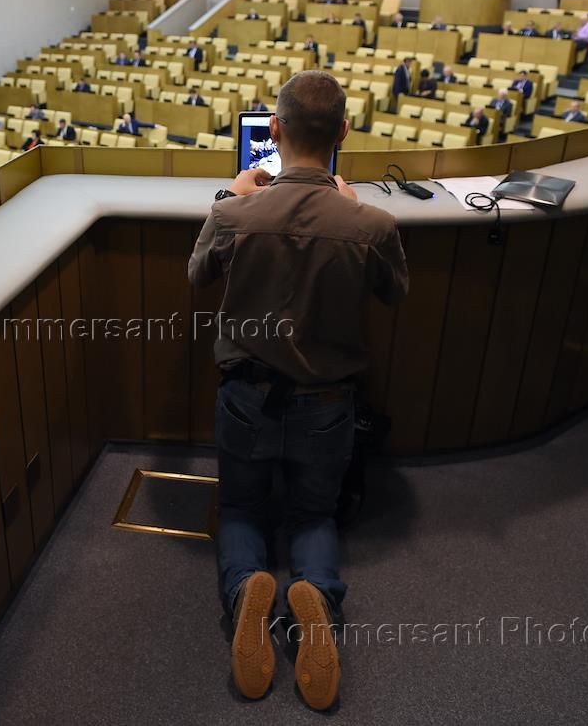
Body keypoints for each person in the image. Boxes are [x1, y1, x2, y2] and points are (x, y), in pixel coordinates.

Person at [187, 69, 407, 712]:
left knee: (241, 508)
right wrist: (354, 208)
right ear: (343, 132)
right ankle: (316, 600)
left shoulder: (233, 212)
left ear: (274, 131)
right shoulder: (373, 224)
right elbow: (394, 293)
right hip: (327, 404)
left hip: (247, 397)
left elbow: (198, 274)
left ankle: (246, 592)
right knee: (314, 514)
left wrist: (228, 196)